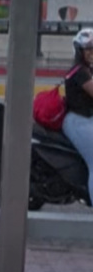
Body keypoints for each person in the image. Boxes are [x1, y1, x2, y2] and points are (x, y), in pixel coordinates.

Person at [62, 28, 93, 202]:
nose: (91, 53)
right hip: (78, 121)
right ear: (79, 51)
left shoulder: (87, 70)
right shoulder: (80, 72)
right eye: (88, 49)